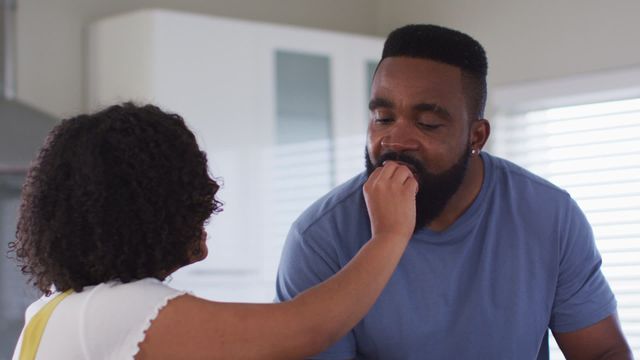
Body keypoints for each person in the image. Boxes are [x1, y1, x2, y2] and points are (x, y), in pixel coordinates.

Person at [275, 24, 632, 359]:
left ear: (476, 136)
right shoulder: (320, 239)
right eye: (382, 118)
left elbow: (603, 352)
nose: (396, 140)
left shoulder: (550, 216)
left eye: (427, 123)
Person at [9, 102, 419, 359]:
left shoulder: (55, 309)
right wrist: (389, 235)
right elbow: (305, 328)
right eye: (194, 213)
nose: (203, 245)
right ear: (155, 213)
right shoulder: (114, 310)